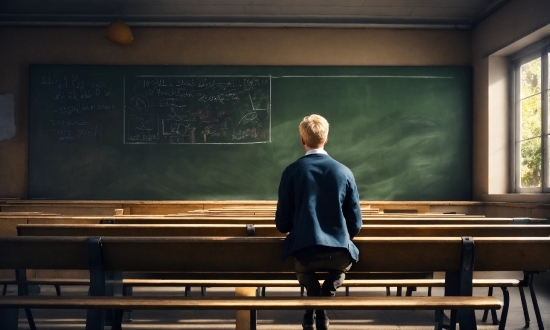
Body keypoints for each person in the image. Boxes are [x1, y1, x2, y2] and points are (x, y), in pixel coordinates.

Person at [275, 114, 362, 330]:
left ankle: (313, 304)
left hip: (306, 252)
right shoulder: (344, 172)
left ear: (302, 140)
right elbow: (356, 224)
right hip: (338, 253)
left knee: (304, 270)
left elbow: (282, 224)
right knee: (340, 268)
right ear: (326, 138)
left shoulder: (292, 172)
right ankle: (325, 299)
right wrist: (340, 235)